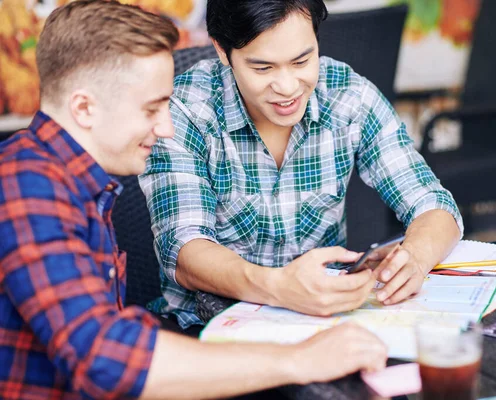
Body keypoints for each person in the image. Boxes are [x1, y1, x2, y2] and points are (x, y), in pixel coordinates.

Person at [0, 1, 388, 399]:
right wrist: (298, 360)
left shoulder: (70, 183)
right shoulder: (27, 188)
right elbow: (106, 359)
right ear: (83, 107)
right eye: (152, 109)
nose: (166, 127)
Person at [140, 0, 464, 330]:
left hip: (322, 323)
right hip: (207, 329)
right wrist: (279, 288)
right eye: (263, 68)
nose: (288, 87)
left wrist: (416, 258)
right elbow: (184, 252)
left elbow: (435, 206)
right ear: (223, 52)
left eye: (302, 60)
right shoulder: (186, 110)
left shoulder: (347, 95)